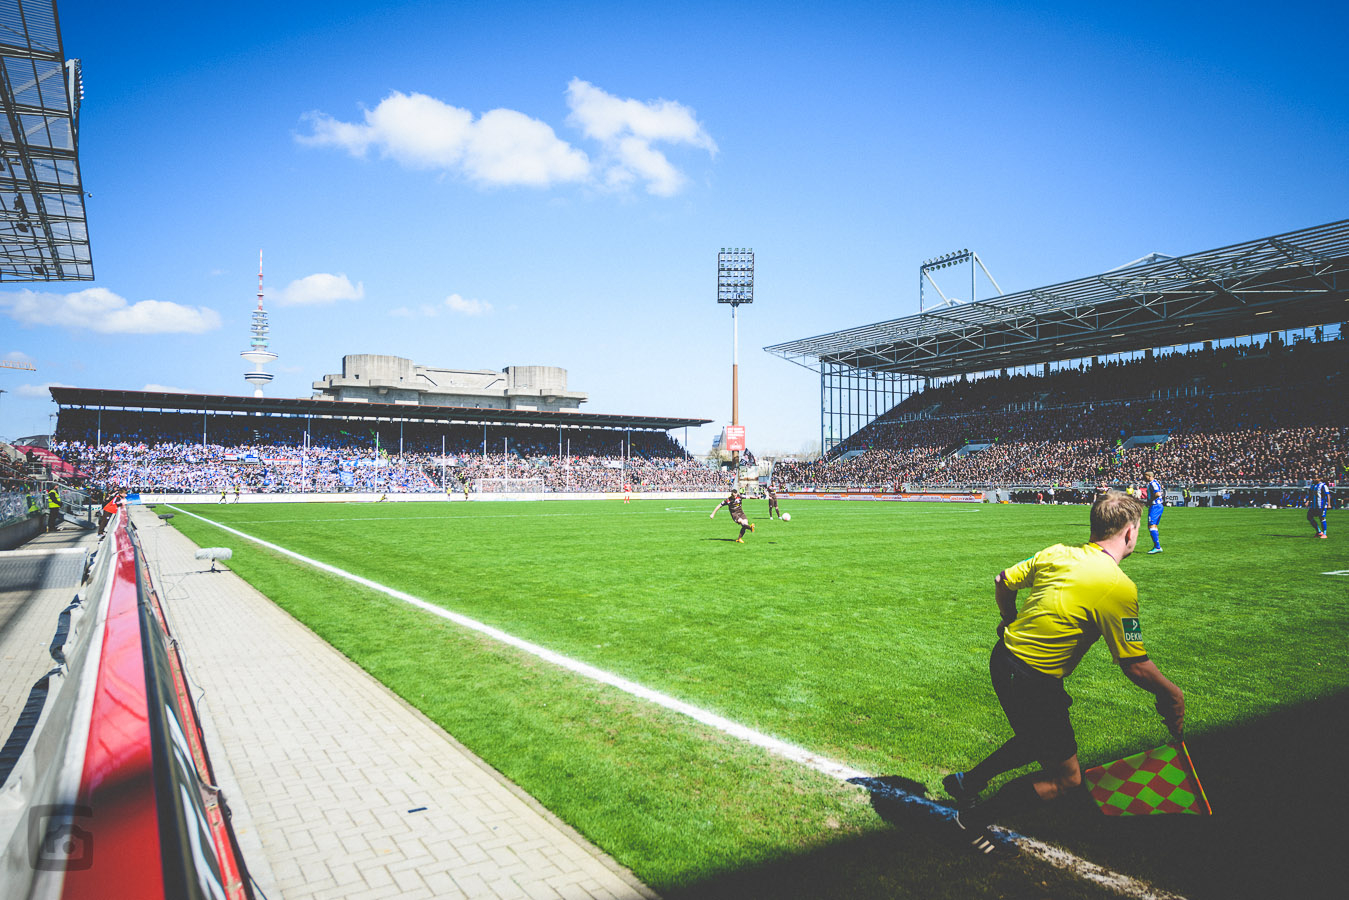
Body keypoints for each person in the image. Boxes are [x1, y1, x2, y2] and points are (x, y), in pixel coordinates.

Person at [943, 490, 1185, 857]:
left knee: (1036, 739)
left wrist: (1009, 618)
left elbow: (1001, 580)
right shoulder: (1118, 587)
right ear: (1130, 532)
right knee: (1067, 777)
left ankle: (968, 783)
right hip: (1032, 679)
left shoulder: (1056, 553)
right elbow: (1135, 664)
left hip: (1004, 659)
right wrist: (1172, 694)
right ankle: (970, 821)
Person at [1144, 471, 1165, 553]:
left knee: (1151, 525)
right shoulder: (1154, 483)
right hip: (1157, 506)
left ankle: (1157, 547)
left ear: (1149, 476)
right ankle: (1157, 546)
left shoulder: (1153, 483)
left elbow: (1157, 494)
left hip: (1155, 506)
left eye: (1145, 476)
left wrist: (1150, 501)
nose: (1144, 477)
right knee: (1154, 526)